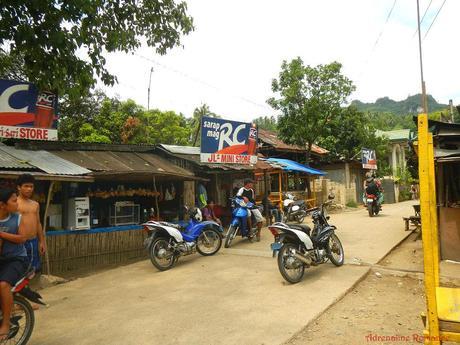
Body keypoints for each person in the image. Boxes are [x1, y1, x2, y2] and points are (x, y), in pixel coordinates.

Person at [0, 189, 29, 341]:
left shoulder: (17, 218)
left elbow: (23, 238)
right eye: (13, 201)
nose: (17, 203)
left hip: (16, 259)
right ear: (2, 205)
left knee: (4, 285)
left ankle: (6, 324)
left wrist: (2, 234)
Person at [16, 174, 45, 273]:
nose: (29, 189)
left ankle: (27, 287)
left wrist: (41, 241)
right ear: (19, 187)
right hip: (19, 242)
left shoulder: (35, 204)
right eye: (26, 186)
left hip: (33, 241)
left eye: (31, 186)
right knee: (19, 268)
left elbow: (38, 223)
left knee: (33, 269)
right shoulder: (13, 203)